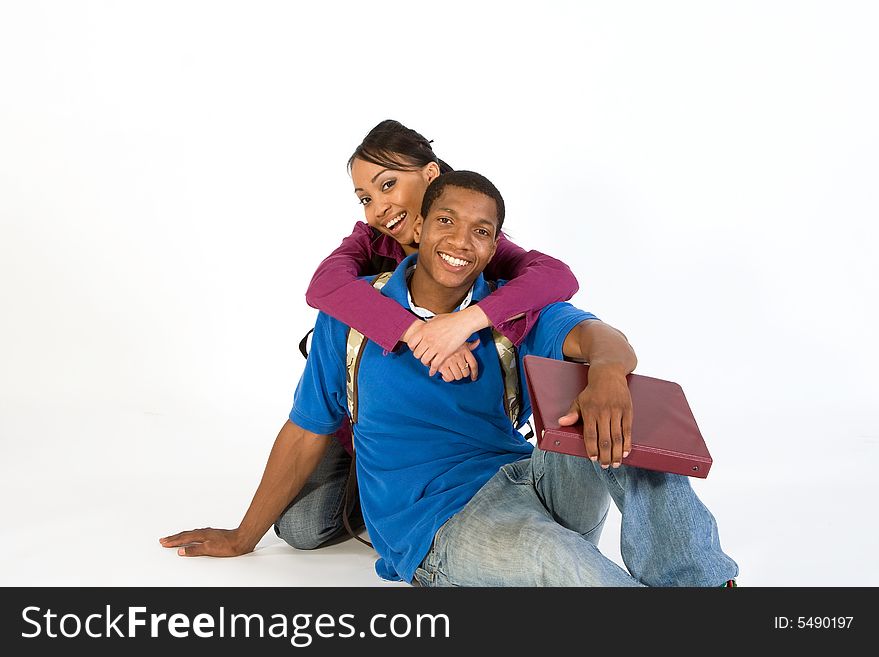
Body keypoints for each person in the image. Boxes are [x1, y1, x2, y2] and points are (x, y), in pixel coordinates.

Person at [164, 170, 739, 587]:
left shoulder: (506, 313)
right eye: (446, 221)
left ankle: (704, 588)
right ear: (419, 227)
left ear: (494, 247)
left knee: (624, 411)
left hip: (528, 479)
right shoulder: (356, 315)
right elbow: (304, 431)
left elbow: (598, 337)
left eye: (482, 231)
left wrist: (610, 374)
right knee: (555, 555)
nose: (462, 242)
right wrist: (243, 537)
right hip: (436, 525)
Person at [160, 120, 582, 556]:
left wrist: (463, 322)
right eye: (366, 198)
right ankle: (392, 489)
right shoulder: (371, 243)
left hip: (461, 430)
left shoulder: (470, 238)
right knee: (301, 527)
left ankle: (434, 489)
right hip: (369, 422)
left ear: (431, 175)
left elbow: (557, 277)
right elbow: (323, 288)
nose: (378, 207)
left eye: (388, 185)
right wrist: (416, 330)